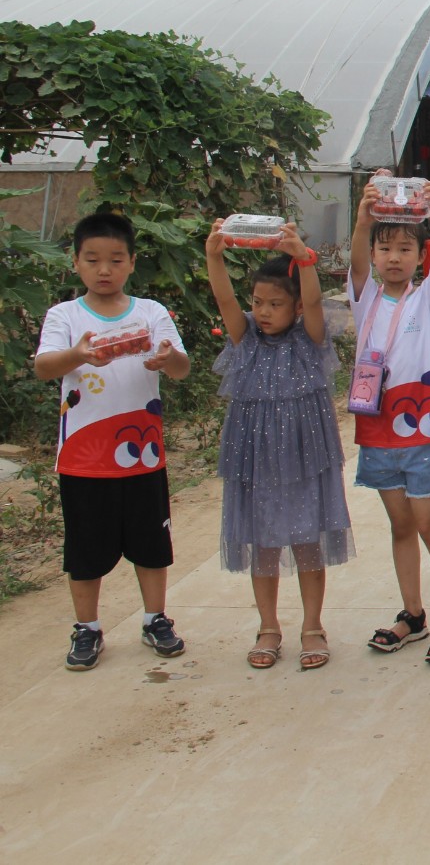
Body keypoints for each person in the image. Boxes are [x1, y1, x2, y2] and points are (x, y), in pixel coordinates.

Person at [34, 212, 192, 670]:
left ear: (132, 263)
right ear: (76, 262)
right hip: (83, 459)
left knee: (152, 546)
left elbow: (181, 369)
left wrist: (166, 359)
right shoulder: (65, 316)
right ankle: (87, 627)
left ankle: (155, 618)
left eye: (116, 260)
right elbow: (44, 367)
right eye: (93, 259)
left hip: (143, 454)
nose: (104, 270)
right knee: (84, 550)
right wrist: (78, 354)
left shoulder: (151, 313)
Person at [204, 221, 352, 671]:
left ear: (295, 306)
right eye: (257, 302)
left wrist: (304, 259)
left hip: (306, 459)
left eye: (275, 304)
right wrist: (213, 255)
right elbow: (224, 299)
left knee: (308, 540)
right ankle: (268, 626)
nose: (263, 312)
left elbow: (314, 300)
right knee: (262, 542)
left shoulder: (311, 340)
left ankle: (313, 627)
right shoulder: (245, 338)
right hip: (255, 460)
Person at [350, 173, 430, 664]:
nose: (394, 257)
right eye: (385, 249)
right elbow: (356, 257)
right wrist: (363, 218)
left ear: (419, 256)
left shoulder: (427, 297)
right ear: (373, 255)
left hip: (421, 428)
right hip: (376, 429)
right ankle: (413, 615)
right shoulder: (363, 297)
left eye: (405, 249)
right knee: (401, 526)